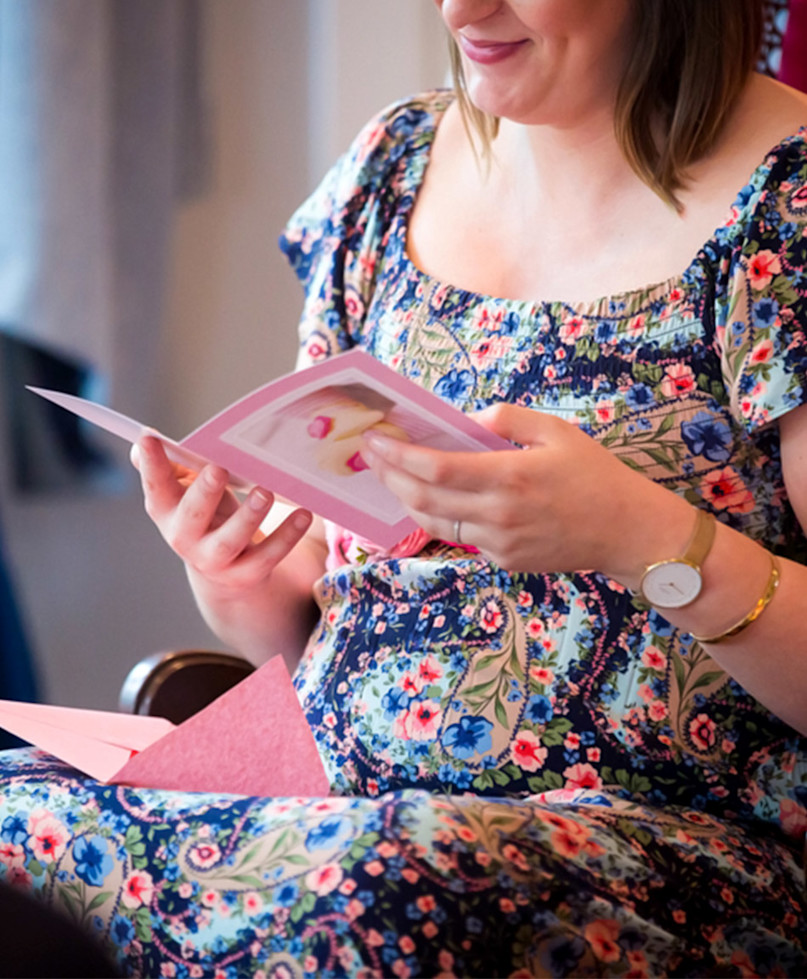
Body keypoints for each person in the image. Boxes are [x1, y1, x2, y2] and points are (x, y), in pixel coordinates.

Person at [2, 1, 806, 975]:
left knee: (375, 883)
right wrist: (243, 581)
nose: (460, 9)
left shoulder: (785, 209)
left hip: (664, 853)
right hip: (338, 804)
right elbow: (322, 618)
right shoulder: (396, 165)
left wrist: (640, 534)